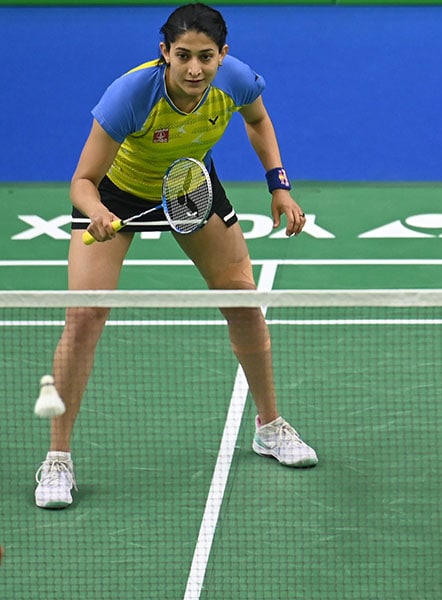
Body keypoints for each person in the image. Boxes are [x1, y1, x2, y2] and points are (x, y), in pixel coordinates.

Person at [35, 3, 318, 510]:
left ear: (222, 55)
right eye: (183, 56)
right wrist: (96, 211)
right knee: (83, 317)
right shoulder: (130, 96)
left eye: (205, 57)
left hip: (188, 186)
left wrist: (280, 186)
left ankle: (270, 426)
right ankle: (58, 459)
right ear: (164, 52)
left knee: (243, 300)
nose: (194, 69)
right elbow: (82, 180)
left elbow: (258, 121)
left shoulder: (236, 80)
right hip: (116, 194)